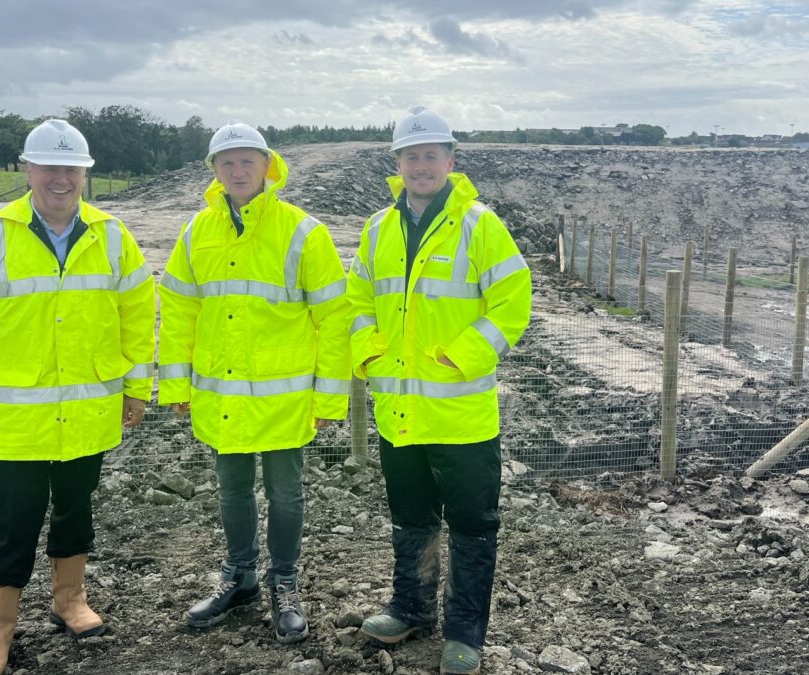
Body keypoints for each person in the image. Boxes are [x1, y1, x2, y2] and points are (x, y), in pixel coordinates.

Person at [0, 119, 155, 675]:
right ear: (27, 171)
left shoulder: (112, 236)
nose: (60, 179)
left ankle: (70, 601)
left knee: (76, 512)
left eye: (71, 169)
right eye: (49, 167)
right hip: (17, 422)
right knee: (12, 522)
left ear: (85, 173)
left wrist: (136, 388)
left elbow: (136, 319)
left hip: (88, 413)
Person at [347, 107, 532, 674]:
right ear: (397, 164)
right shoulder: (378, 228)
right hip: (398, 413)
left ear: (450, 162)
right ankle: (410, 609)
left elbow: (513, 300)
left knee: (473, 525)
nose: (421, 165)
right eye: (411, 156)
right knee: (411, 518)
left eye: (431, 155)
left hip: (461, 415)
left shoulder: (480, 224)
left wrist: (463, 355)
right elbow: (357, 301)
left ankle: (465, 632)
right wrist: (367, 351)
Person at [157, 120, 350, 643]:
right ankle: (239, 577)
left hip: (285, 400)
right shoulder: (198, 231)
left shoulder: (303, 231)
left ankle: (283, 583)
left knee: (286, 496)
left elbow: (335, 318)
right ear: (214, 172)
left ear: (268, 166)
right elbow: (178, 310)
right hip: (221, 396)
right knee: (231, 492)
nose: (238, 170)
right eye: (227, 162)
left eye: (247, 160)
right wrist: (174, 385)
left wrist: (330, 394)